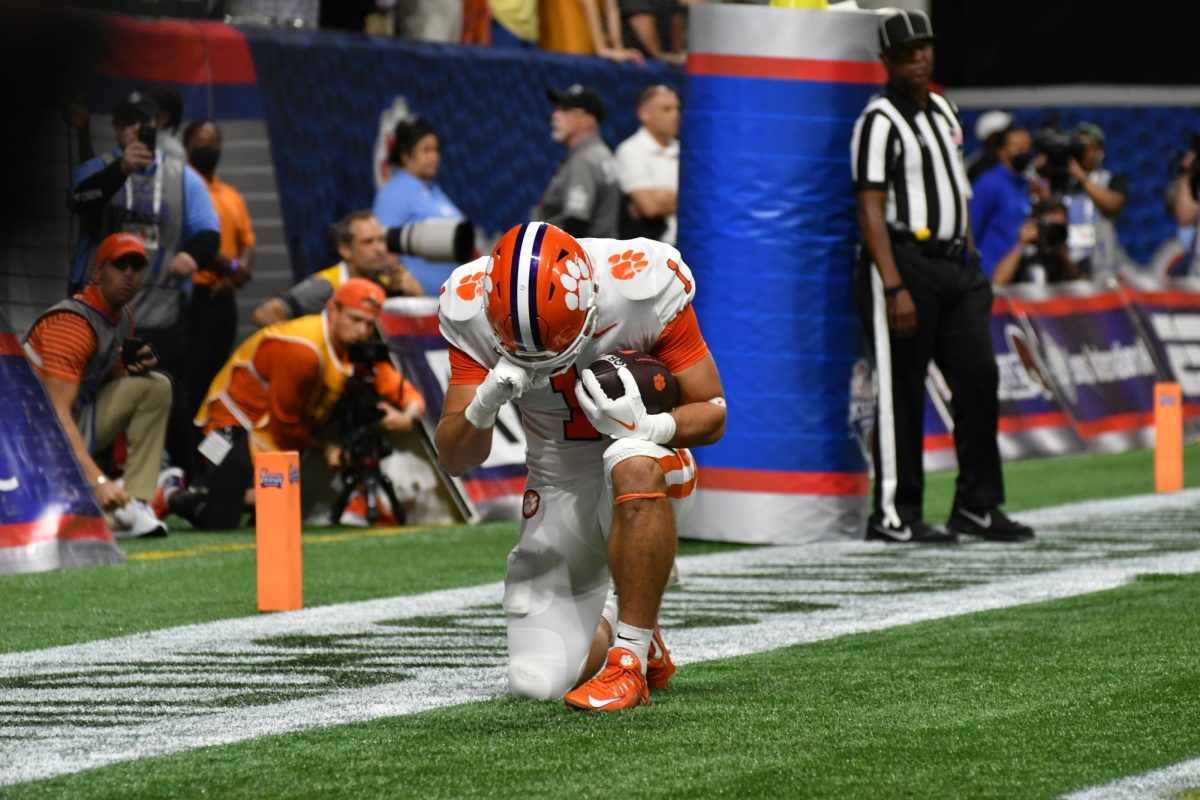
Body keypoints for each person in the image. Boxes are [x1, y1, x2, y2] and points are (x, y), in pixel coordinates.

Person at [435, 221, 726, 711]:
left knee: (628, 459)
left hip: (652, 465)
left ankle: (629, 659)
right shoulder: (470, 307)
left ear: (590, 299)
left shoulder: (638, 285)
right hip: (556, 482)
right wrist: (482, 405)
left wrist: (650, 428)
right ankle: (633, 614)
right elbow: (456, 459)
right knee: (537, 682)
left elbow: (713, 412)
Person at [849, 9, 1033, 544]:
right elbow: (870, 206)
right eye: (906, 52)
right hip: (905, 263)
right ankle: (894, 513)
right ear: (886, 60)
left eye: (924, 48)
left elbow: (958, 189)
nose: (919, 57)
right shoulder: (878, 120)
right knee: (903, 390)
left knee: (978, 379)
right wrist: (894, 284)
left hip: (957, 265)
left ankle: (976, 505)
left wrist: (971, 257)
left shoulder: (946, 110)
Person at [181, 279, 425, 530]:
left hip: (276, 431)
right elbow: (283, 424)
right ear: (333, 309)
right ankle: (177, 495)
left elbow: (401, 389)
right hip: (233, 425)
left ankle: (252, 494)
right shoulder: (303, 350)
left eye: (369, 324)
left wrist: (408, 416)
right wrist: (327, 449)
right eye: (355, 319)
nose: (362, 331)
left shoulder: (352, 347)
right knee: (221, 519)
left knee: (275, 515)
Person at [68, 89, 220, 482]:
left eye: (144, 123)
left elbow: (209, 232)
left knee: (166, 393)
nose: (136, 129)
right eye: (127, 122)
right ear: (117, 129)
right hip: (96, 312)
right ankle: (89, 477)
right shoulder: (98, 168)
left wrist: (194, 256)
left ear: (158, 126)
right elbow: (80, 200)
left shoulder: (181, 176)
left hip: (161, 310)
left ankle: (178, 481)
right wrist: (121, 169)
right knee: (90, 395)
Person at [23, 233, 171, 538]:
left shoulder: (123, 316)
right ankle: (90, 496)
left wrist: (131, 369)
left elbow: (108, 384)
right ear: (97, 272)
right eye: (120, 265)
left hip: (72, 423)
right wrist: (98, 481)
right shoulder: (72, 324)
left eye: (136, 267)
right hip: (26, 439)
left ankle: (136, 502)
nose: (129, 274)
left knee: (154, 386)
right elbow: (55, 414)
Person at [182, 119, 257, 419]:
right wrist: (235, 269)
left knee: (218, 374)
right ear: (186, 146)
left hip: (224, 298)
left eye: (213, 143)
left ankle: (206, 450)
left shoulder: (231, 195)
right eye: (200, 141)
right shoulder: (185, 189)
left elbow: (248, 242)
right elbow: (197, 241)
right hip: (195, 297)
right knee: (192, 376)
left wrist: (235, 278)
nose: (208, 148)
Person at [252, 210, 421, 327]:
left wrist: (415, 294)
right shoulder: (324, 286)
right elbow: (264, 314)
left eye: (380, 240)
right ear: (345, 250)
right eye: (368, 242)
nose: (379, 249)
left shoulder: (388, 285)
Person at [372, 116, 466, 294]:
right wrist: (411, 290)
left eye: (436, 150)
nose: (435, 156)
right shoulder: (394, 194)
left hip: (448, 301)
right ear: (406, 156)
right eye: (426, 150)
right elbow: (382, 249)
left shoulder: (433, 190)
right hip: (417, 306)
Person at [533, 85, 620, 239]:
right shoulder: (602, 153)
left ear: (587, 121)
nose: (555, 115)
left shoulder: (585, 160)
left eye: (565, 110)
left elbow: (575, 226)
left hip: (577, 257)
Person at [1061, 122, 1128, 279]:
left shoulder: (1111, 180)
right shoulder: (1062, 182)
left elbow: (1112, 205)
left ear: (1100, 151)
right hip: (1068, 263)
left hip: (1101, 260)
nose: (1084, 153)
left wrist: (1082, 178)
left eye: (1089, 147)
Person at [615, 84, 681, 244]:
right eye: (666, 109)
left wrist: (663, 198)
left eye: (677, 108)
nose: (676, 115)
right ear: (644, 114)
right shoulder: (630, 150)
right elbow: (650, 207)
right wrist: (688, 197)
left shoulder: (685, 151)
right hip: (650, 252)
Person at [969, 126, 1034, 280]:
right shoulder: (988, 184)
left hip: (1018, 272)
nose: (1024, 153)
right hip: (989, 275)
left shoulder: (1025, 185)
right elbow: (971, 232)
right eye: (1018, 148)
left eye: (1027, 148)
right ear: (1002, 151)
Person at [992, 199, 1080, 286]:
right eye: (1049, 226)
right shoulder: (1023, 253)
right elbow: (997, 283)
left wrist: (1062, 254)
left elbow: (1082, 288)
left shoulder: (1075, 254)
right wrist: (1020, 244)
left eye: (1059, 227)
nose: (1053, 231)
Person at [965, 109, 1013, 184]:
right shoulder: (979, 168)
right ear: (992, 138)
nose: (1011, 135)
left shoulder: (1012, 160)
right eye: (1005, 132)